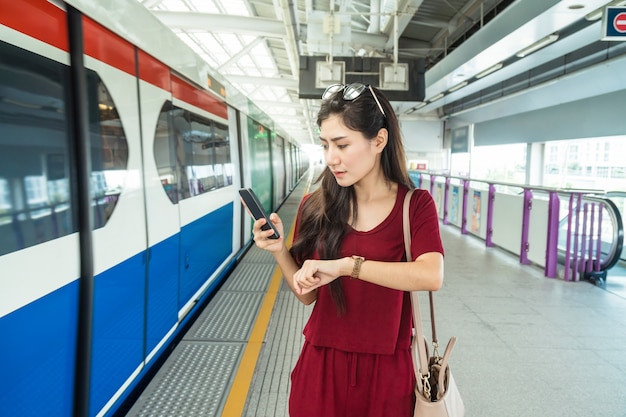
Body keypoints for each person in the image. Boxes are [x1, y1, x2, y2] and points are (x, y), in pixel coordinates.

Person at [251, 82, 444, 417]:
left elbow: (430, 275)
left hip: (389, 372)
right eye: (325, 145)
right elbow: (307, 294)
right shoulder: (315, 206)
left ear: (379, 141)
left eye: (342, 144)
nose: (331, 158)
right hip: (321, 365)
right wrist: (280, 251)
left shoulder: (414, 206)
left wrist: (345, 266)